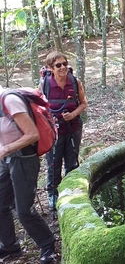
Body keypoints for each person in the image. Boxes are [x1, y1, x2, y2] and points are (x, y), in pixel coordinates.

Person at [0, 85, 56, 264]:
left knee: (23, 209)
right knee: (1, 204)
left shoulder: (10, 101)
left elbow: (32, 134)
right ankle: (10, 246)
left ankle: (48, 245)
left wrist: (6, 148)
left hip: (24, 159)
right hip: (6, 160)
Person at [41, 51, 88, 211]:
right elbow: (39, 107)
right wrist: (49, 118)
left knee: (72, 162)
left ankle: (72, 193)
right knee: (53, 163)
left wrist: (73, 114)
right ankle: (53, 194)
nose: (63, 68)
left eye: (65, 64)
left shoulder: (75, 82)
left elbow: (83, 103)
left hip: (73, 128)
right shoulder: (45, 84)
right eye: (58, 65)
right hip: (53, 132)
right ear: (50, 68)